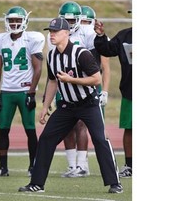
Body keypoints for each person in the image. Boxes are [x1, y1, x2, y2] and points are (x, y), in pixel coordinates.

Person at [18, 17, 123, 193]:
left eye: (55, 32)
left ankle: (115, 183)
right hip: (67, 106)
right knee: (46, 139)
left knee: (100, 139)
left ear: (66, 33)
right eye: (50, 31)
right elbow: (53, 82)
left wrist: (71, 79)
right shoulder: (52, 55)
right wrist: (45, 106)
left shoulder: (81, 53)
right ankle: (37, 183)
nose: (51, 35)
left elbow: (96, 79)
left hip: (89, 104)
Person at [0, 6, 45, 177]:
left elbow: (38, 68)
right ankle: (3, 167)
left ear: (24, 21)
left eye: (17, 20)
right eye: (11, 20)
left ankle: (33, 166)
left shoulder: (32, 38)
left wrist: (32, 92)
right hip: (6, 91)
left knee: (30, 129)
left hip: (24, 91)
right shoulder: (0, 39)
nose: (14, 23)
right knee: (3, 129)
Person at [94, 11, 132, 178]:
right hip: (131, 91)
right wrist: (101, 36)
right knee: (130, 129)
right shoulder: (125, 35)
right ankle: (130, 165)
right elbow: (107, 50)